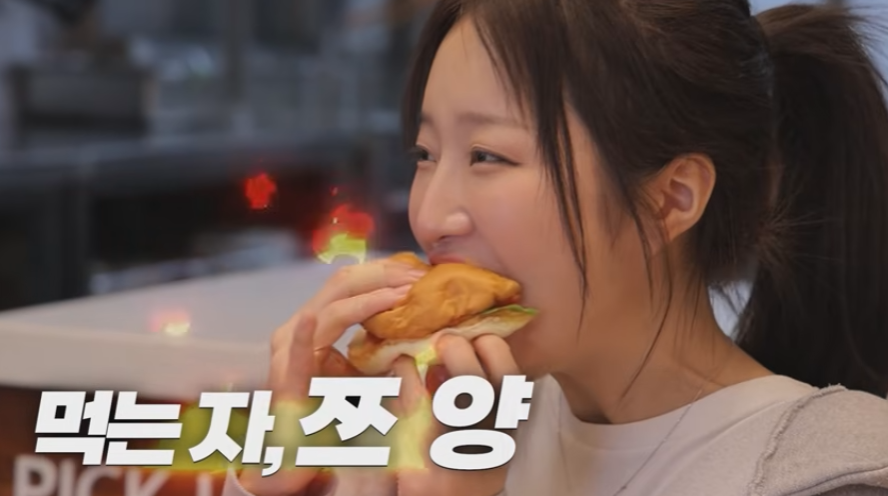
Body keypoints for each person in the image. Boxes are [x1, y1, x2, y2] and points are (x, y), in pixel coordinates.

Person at [224, 0, 888, 494]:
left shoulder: (831, 472)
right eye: (425, 153)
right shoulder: (432, 421)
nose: (429, 218)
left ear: (670, 199)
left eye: (487, 155)